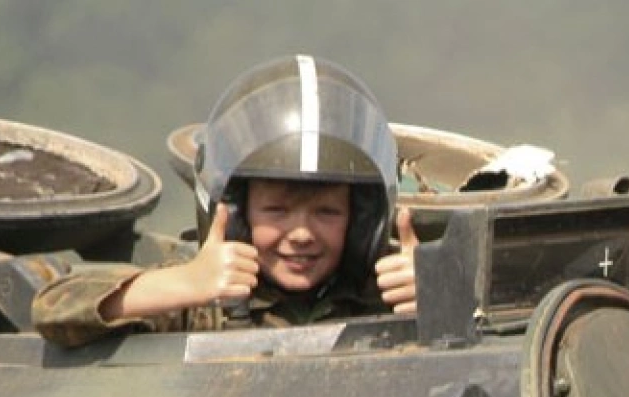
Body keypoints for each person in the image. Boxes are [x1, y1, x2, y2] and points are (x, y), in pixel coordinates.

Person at [33, 55, 421, 348]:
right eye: (277, 211)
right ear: (237, 214)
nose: (302, 233)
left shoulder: (388, 292)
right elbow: (53, 308)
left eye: (327, 212)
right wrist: (186, 283)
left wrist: (437, 297)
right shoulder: (199, 300)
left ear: (358, 222)